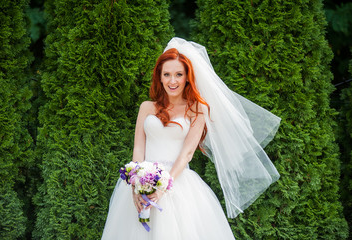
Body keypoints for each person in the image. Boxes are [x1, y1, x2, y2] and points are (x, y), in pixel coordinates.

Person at [101, 38, 281, 240]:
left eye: (179, 74)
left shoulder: (197, 110)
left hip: (177, 182)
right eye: (167, 74)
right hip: (143, 181)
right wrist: (135, 185)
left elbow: (187, 153)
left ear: (187, 77)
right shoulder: (146, 107)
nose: (172, 81)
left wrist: (162, 188)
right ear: (159, 77)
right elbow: (138, 149)